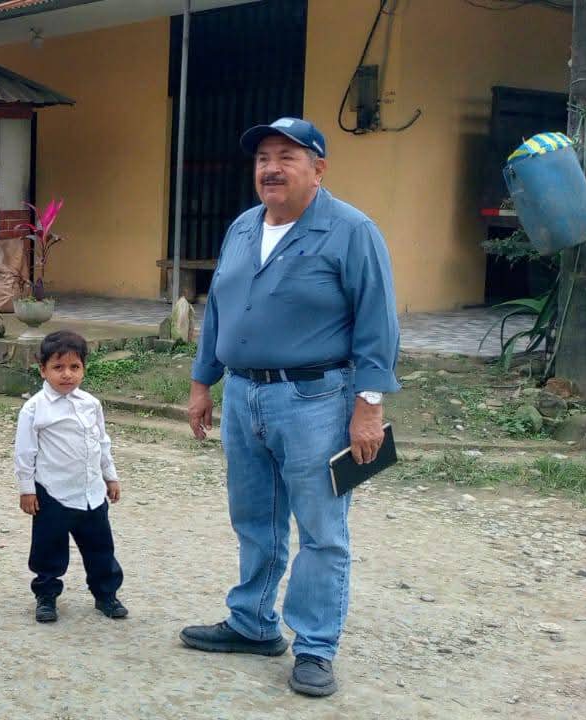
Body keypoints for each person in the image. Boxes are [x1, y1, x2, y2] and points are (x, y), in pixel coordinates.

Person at [182, 117, 399, 698]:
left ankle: (315, 647)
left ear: (318, 169)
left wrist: (369, 407)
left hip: (316, 399)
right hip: (242, 394)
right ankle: (253, 623)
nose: (271, 169)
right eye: (262, 159)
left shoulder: (351, 231)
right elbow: (219, 310)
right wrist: (203, 383)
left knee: (322, 529)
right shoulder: (242, 227)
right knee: (254, 516)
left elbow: (378, 323)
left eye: (287, 157)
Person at [14, 330, 128, 624]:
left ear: (84, 368)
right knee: (48, 550)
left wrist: (110, 477)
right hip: (54, 493)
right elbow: (25, 452)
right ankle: (46, 596)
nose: (67, 374)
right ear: (43, 369)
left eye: (74, 367)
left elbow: (101, 442)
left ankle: (106, 595)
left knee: (101, 548)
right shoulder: (34, 409)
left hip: (91, 493)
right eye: (58, 367)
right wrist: (27, 489)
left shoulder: (91, 404)